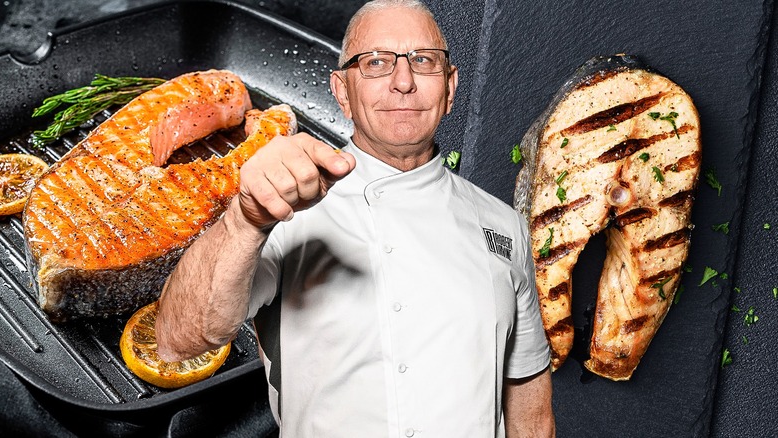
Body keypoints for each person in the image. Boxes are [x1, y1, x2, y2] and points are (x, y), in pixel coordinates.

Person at [156, 0, 554, 436]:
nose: (403, 82)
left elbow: (529, 399)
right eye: (377, 63)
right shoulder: (285, 207)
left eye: (423, 61)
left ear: (450, 87)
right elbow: (180, 340)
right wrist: (244, 220)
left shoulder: (504, 224)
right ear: (342, 91)